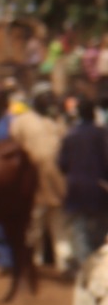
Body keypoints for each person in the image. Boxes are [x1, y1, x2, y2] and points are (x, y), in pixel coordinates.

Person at [61, 99, 108, 271]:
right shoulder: (102, 133)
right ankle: (96, 268)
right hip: (99, 189)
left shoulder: (71, 134)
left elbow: (62, 163)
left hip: (76, 190)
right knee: (99, 231)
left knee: (79, 231)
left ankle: (86, 268)